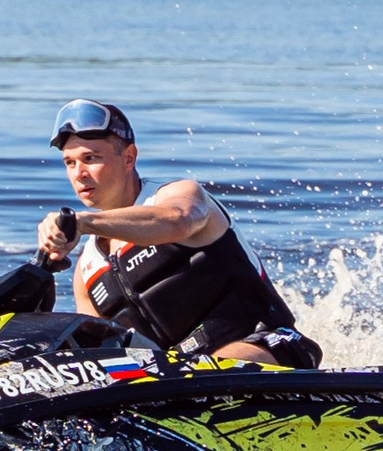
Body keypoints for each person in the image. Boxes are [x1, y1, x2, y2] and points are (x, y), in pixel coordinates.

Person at [35, 99, 322, 368]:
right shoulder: (87, 269)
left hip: (272, 346)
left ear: (129, 157)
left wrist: (83, 223)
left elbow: (178, 221)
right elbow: (100, 350)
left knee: (203, 374)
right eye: (69, 163)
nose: (79, 173)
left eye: (90, 158)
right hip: (178, 384)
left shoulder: (179, 195)